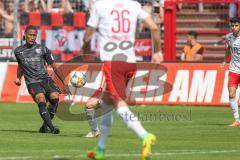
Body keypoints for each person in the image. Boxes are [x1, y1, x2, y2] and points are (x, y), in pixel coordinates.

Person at [81, 0, 163, 159]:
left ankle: (145, 135)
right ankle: (100, 149)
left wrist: (85, 48)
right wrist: (158, 51)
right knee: (106, 102)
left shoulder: (100, 6)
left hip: (113, 63)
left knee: (119, 104)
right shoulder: (133, 5)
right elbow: (154, 27)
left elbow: (87, 35)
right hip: (131, 62)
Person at [14, 25, 71, 134]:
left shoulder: (43, 49)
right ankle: (52, 128)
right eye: (30, 35)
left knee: (55, 97)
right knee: (41, 99)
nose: (32, 37)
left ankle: (45, 127)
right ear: (25, 35)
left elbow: (54, 66)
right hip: (32, 82)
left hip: (45, 79)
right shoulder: (18, 51)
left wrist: (64, 83)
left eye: (34, 35)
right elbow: (20, 65)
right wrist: (18, 77)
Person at [221, 17, 240, 127]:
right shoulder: (229, 37)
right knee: (231, 94)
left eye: (236, 25)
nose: (233, 27)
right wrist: (224, 60)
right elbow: (228, 49)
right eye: (232, 25)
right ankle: (237, 120)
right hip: (234, 69)